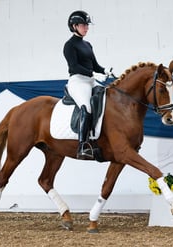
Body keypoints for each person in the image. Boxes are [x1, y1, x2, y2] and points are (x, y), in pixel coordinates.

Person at [63, 10, 111, 160]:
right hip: (78, 81)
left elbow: (95, 65)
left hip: (90, 80)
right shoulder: (69, 45)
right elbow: (74, 66)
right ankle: (82, 145)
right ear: (74, 26)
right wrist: (93, 74)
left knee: (106, 100)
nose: (87, 28)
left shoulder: (87, 44)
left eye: (87, 25)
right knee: (87, 107)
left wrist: (104, 70)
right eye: (84, 25)